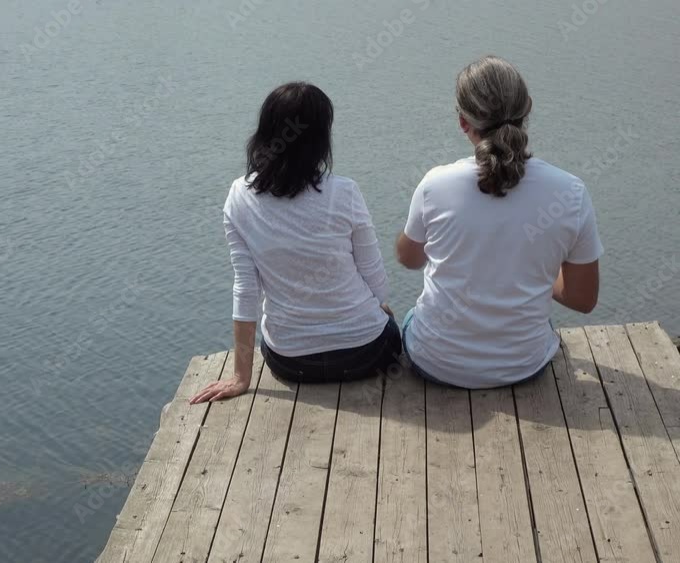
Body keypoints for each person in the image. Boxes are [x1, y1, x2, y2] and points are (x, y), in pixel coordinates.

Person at [396, 55, 602, 389]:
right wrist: (531, 277)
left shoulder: (436, 184)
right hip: (523, 365)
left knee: (408, 319)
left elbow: (409, 258)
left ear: (463, 121)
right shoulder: (571, 192)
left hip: (436, 362)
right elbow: (583, 299)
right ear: (528, 108)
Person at [191, 82, 401, 404]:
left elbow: (246, 290)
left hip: (291, 362)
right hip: (367, 354)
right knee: (388, 317)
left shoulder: (238, 198)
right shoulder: (345, 192)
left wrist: (240, 377)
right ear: (320, 140)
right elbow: (378, 287)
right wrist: (376, 311)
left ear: (264, 134)